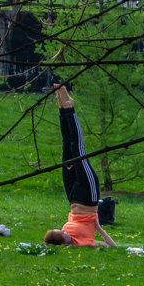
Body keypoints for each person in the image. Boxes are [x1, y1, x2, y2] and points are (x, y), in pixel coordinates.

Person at [43, 84, 117, 248]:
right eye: (63, 234)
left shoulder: (66, 233)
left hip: (72, 197)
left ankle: (61, 105)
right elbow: (112, 247)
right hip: (87, 197)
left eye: (61, 231)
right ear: (66, 241)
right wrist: (98, 227)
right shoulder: (82, 243)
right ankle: (69, 107)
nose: (64, 231)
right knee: (78, 150)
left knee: (67, 148)